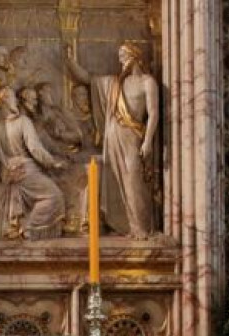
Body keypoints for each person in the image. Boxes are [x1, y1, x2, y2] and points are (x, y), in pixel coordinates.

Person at [64, 43, 160, 239]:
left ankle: (142, 227)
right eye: (120, 56)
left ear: (136, 56)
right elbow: (88, 78)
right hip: (113, 138)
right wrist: (70, 60)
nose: (121, 59)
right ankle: (127, 227)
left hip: (133, 137)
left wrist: (148, 140)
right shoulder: (115, 83)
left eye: (124, 54)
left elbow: (153, 113)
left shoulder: (147, 82)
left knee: (134, 180)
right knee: (115, 181)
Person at [0, 87, 67, 240]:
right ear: (4, 100)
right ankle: (28, 227)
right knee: (55, 196)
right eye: (13, 97)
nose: (16, 101)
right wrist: (53, 163)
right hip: (25, 171)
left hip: (6, 174)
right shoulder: (23, 122)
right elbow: (35, 149)